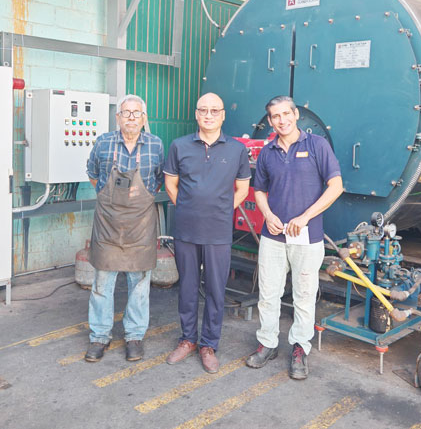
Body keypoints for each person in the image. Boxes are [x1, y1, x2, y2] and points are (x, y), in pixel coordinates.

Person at [245, 95, 343, 380]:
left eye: (286, 114)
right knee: (268, 293)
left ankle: (300, 347)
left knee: (304, 295)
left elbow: (335, 186)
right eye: (275, 116)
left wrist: (305, 217)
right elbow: (259, 190)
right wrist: (268, 215)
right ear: (271, 121)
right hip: (274, 235)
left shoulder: (316, 145)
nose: (282, 120)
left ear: (296, 114)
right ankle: (267, 343)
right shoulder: (268, 151)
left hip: (307, 235)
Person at [164, 92, 251, 374]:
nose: (209, 115)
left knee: (215, 290)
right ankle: (188, 339)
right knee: (187, 288)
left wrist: (222, 211)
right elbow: (171, 185)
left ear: (223, 115)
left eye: (215, 110)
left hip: (219, 232)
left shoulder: (237, 150)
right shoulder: (180, 146)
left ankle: (208, 344)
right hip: (186, 230)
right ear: (197, 114)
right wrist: (190, 208)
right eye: (204, 110)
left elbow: (243, 189)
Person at [84, 94, 164, 363]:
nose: (131, 117)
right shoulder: (104, 142)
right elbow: (92, 172)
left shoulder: (155, 145)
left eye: (136, 113)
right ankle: (99, 336)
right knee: (102, 283)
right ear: (117, 117)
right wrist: (106, 196)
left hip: (141, 224)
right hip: (108, 223)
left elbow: (160, 178)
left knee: (139, 285)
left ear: (144, 118)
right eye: (125, 112)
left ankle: (134, 336)